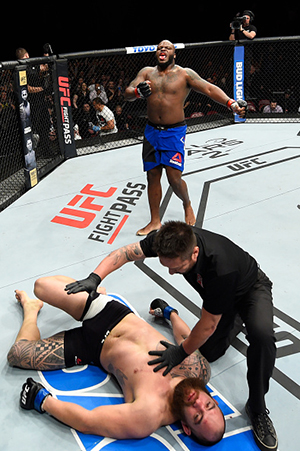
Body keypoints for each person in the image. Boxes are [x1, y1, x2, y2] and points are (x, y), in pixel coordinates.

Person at [65, 220, 278, 451]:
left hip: (249, 289)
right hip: (219, 299)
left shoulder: (221, 268)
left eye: (176, 267)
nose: (171, 271)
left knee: (261, 335)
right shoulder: (168, 239)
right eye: (167, 266)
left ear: (195, 254)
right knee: (208, 353)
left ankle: (257, 408)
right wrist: (95, 278)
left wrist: (180, 352)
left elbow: (208, 324)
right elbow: (126, 253)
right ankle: (173, 312)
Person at [7, 276, 226, 446]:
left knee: (18, 354)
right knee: (42, 286)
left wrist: (42, 400)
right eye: (208, 405)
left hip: (92, 348)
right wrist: (170, 313)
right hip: (111, 315)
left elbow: (88, 421)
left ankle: (31, 310)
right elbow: (185, 338)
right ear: (214, 401)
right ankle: (95, 292)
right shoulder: (197, 371)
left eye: (197, 416)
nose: (198, 402)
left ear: (187, 428)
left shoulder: (149, 415)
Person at [124, 40, 246, 236]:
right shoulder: (146, 73)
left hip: (173, 132)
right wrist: (137, 92)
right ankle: (155, 221)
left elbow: (208, 89)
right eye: (160, 47)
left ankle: (187, 203)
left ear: (174, 54)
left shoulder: (184, 74)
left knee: (174, 178)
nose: (162, 49)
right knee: (152, 175)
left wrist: (230, 103)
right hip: (151, 131)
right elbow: (127, 93)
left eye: (167, 47)